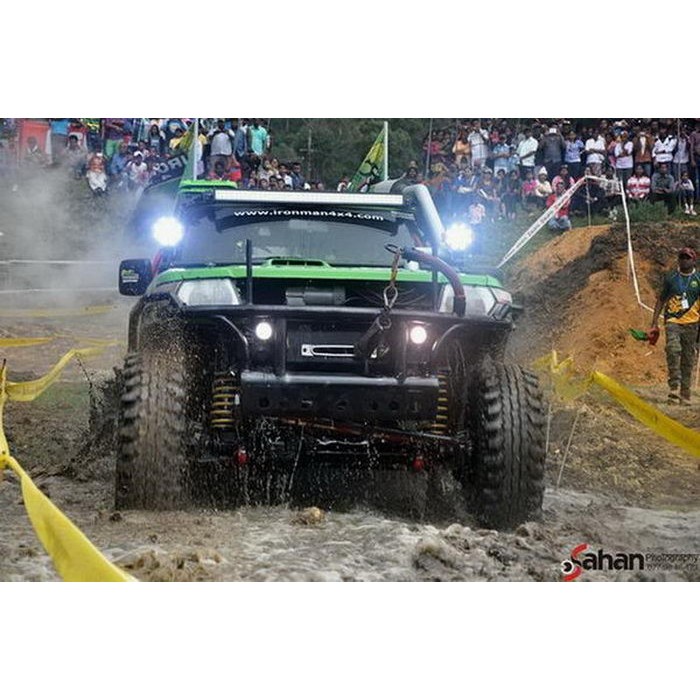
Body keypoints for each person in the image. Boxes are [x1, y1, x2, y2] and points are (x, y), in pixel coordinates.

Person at [650, 247, 700, 404]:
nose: (684, 260)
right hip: (673, 321)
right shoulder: (671, 278)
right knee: (673, 349)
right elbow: (661, 300)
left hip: (692, 323)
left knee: (688, 359)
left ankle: (685, 394)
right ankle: (674, 387)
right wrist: (654, 322)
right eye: (682, 257)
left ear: (693, 260)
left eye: (687, 258)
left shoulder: (698, 279)